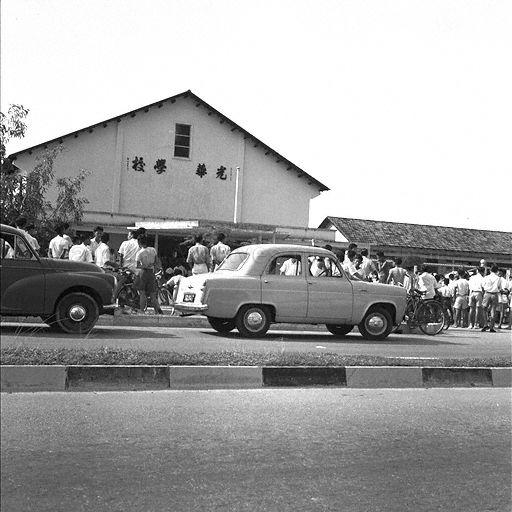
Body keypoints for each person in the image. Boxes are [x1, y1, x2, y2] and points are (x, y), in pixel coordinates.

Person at [135, 234, 163, 314]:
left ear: (139, 242)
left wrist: (144, 265)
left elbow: (138, 265)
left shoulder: (139, 253)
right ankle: (157, 310)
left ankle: (142, 310)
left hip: (143, 272)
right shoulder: (153, 250)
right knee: (152, 294)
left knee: (142, 293)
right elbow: (156, 261)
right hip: (151, 272)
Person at [481, 265, 502, 332]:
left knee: (484, 309)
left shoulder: (486, 277)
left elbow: (483, 286)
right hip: (494, 294)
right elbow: (499, 287)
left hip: (487, 293)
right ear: (497, 271)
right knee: (493, 310)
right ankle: (491, 327)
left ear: (490, 270)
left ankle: (485, 324)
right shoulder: (498, 278)